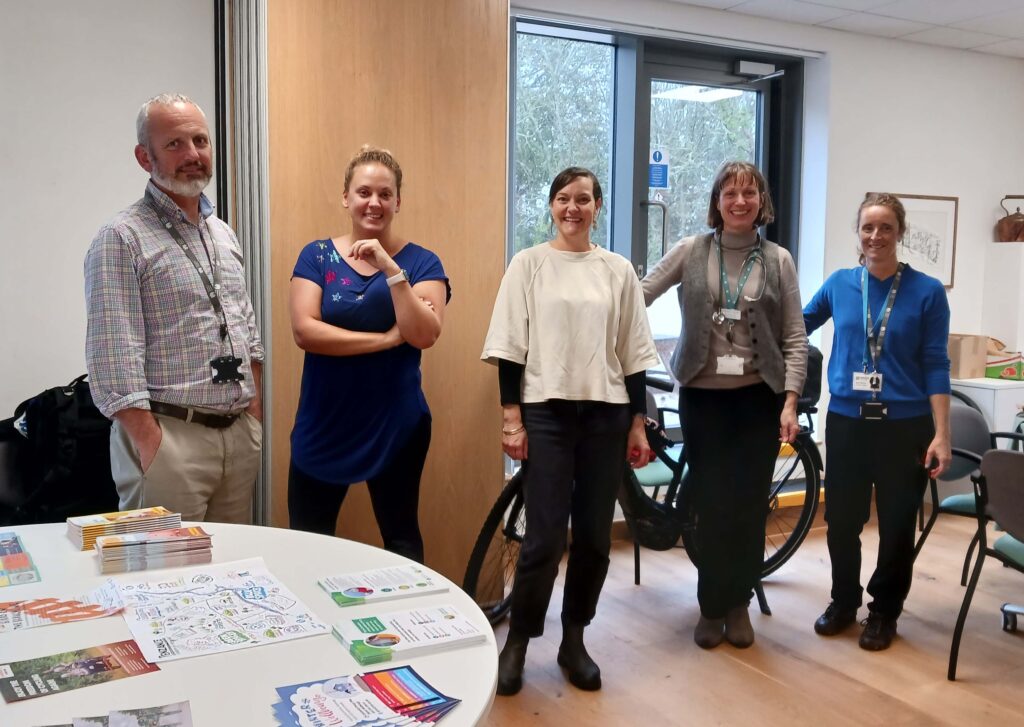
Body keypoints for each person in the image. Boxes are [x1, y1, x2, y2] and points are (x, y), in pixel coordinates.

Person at [482, 167, 660, 696]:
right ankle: (519, 641)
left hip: (606, 415)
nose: (572, 208)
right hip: (547, 414)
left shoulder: (617, 269)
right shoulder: (528, 264)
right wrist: (511, 418)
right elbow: (510, 347)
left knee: (594, 539)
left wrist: (635, 422)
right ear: (552, 206)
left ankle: (574, 639)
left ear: (597, 206)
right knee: (541, 538)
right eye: (563, 199)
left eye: (583, 199)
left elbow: (632, 354)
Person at [642, 161, 806, 650]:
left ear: (762, 202)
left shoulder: (778, 259)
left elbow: (794, 336)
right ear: (716, 201)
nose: (739, 201)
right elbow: (638, 294)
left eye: (749, 193)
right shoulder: (691, 251)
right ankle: (710, 605)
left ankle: (739, 605)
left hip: (760, 398)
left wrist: (790, 401)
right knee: (711, 504)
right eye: (730, 193)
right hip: (703, 398)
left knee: (748, 504)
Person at [85, 93, 264, 523]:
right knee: (160, 582)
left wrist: (253, 416)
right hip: (171, 440)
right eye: (175, 144)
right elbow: (114, 354)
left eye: (200, 141)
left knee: (231, 575)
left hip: (237, 436)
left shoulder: (222, 233)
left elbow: (246, 328)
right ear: (144, 157)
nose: (193, 155)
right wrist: (152, 443)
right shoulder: (121, 237)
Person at [804, 192, 951, 651]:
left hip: (905, 426)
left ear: (899, 233)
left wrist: (942, 434)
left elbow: (936, 364)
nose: (875, 236)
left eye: (885, 227)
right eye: (868, 227)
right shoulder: (840, 284)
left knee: (895, 521)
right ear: (858, 233)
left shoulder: (927, 292)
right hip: (847, 421)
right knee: (843, 519)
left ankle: (884, 611)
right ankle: (844, 601)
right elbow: (797, 326)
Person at [288, 146, 449, 564]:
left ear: (398, 201)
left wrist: (391, 271)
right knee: (307, 543)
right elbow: (305, 331)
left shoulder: (422, 262)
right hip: (324, 421)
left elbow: (424, 333)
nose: (374, 202)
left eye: (384, 193)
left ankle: (410, 627)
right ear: (346, 197)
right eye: (363, 192)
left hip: (396, 424)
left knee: (401, 537)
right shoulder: (316, 256)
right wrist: (385, 340)